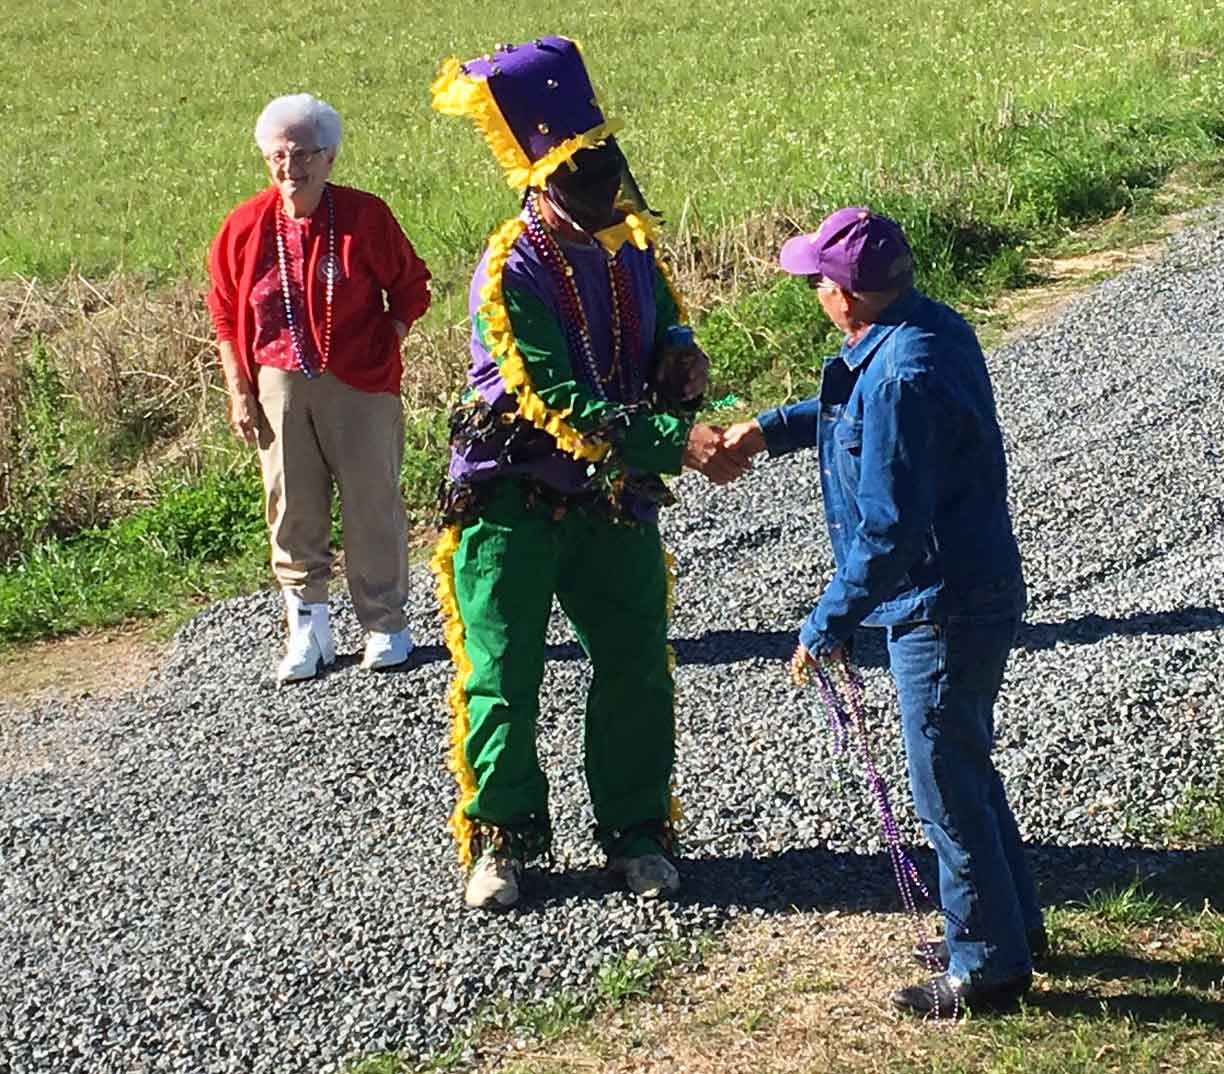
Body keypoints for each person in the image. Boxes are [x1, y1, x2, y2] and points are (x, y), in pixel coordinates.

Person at [430, 36, 745, 910]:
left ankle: (637, 834)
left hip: (613, 497)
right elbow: (557, 399)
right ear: (540, 181)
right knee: (503, 673)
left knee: (638, 664)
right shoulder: (510, 267)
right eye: (581, 182)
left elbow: (666, 330)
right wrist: (676, 442)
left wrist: (682, 363)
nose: (602, 197)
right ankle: (502, 843)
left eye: (607, 176)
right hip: (511, 498)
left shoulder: (630, 243)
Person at [724, 208, 1046, 1016]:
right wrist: (766, 432)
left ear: (846, 296)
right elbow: (850, 406)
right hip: (973, 592)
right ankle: (1010, 931)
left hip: (940, 608)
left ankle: (988, 970)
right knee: (964, 766)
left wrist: (827, 621)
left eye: (817, 283)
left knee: (944, 781)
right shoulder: (927, 330)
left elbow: (889, 532)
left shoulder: (903, 375)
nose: (814, 295)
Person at [206, 94, 431, 684]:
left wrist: (392, 336)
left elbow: (412, 286)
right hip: (277, 381)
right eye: (279, 155)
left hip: (360, 379)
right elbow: (226, 312)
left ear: (329, 158)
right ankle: (308, 628)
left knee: (371, 501)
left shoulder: (365, 216)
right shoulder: (244, 225)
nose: (291, 167)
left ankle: (385, 624)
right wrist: (239, 389)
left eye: (304, 153)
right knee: (291, 506)